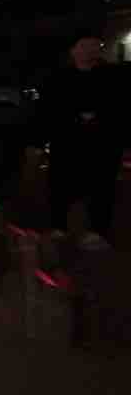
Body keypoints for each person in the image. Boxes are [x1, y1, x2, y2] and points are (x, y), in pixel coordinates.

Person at [34, 27, 125, 247]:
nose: (89, 50)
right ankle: (59, 226)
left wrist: (99, 117)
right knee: (60, 184)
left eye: (94, 45)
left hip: (103, 141)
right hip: (67, 140)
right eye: (84, 46)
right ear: (73, 50)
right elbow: (49, 108)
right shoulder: (58, 77)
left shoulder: (113, 76)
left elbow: (121, 106)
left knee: (102, 186)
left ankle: (98, 230)